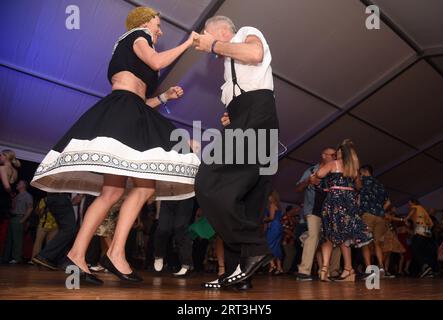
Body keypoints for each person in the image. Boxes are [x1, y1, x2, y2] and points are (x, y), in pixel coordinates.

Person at [30, 6, 199, 285]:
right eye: (158, 24)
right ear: (144, 22)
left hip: (130, 109)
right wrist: (189, 43)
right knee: (143, 186)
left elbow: (140, 100)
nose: (160, 30)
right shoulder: (138, 35)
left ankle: (77, 254)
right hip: (124, 109)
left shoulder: (132, 47)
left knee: (113, 191)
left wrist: (165, 96)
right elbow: (157, 63)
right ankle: (116, 253)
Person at [194, 15, 279, 289]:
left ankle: (254, 247)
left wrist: (214, 44)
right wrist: (233, 114)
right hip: (249, 117)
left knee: (208, 182)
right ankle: (237, 274)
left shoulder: (246, 32)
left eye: (207, 36)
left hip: (257, 116)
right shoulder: (228, 63)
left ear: (218, 31)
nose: (206, 45)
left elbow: (255, 54)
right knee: (243, 197)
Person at [315, 139, 372, 282]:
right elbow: (358, 187)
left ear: (342, 153)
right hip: (349, 201)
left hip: (335, 200)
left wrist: (323, 170)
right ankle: (348, 269)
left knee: (329, 234)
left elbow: (320, 174)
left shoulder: (333, 163)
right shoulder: (353, 169)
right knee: (345, 236)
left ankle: (325, 269)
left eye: (338, 152)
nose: (336, 154)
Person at [295, 147, 339, 281]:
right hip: (313, 209)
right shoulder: (311, 170)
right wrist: (309, 180)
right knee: (313, 237)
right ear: (324, 155)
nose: (335, 157)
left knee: (334, 240)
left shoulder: (336, 171)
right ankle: (304, 272)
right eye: (332, 155)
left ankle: (333, 271)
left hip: (331, 210)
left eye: (336, 155)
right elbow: (298, 188)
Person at [359, 164, 391, 277]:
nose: (360, 175)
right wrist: (380, 210)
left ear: (365, 171)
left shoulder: (361, 182)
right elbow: (388, 203)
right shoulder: (380, 184)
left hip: (367, 215)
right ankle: (381, 268)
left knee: (365, 243)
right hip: (380, 217)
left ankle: (369, 271)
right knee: (377, 244)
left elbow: (357, 199)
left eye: (361, 172)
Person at [2, 180, 33, 263]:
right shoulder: (17, 196)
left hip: (19, 218)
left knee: (17, 239)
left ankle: (16, 258)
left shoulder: (27, 196)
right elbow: (13, 207)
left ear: (24, 186)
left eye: (19, 183)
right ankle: (7, 258)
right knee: (9, 239)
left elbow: (30, 208)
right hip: (13, 218)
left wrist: (23, 219)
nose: (17, 184)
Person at [264, 191, 283, 275]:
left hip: (273, 226)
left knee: (268, 245)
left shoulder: (272, 205)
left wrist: (263, 219)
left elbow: (271, 218)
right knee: (276, 246)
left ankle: (272, 265)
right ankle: (279, 267)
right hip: (278, 225)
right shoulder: (278, 205)